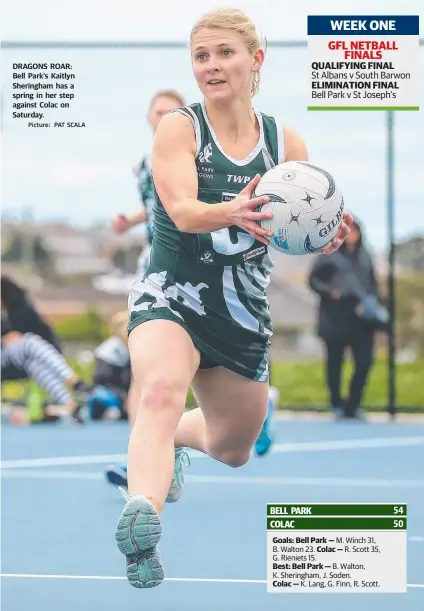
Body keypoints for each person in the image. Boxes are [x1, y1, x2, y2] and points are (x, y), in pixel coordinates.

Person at [114, 8, 353, 589]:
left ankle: (172, 442)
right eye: (201, 56)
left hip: (241, 312)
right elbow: (182, 211)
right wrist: (232, 210)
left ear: (256, 61)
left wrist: (326, 229)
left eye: (224, 53)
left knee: (234, 446)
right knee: (160, 390)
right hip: (170, 292)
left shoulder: (285, 141)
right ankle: (142, 519)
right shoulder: (179, 128)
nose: (212, 66)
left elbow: (295, 223)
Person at [112, 89, 186, 278]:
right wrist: (128, 222)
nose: (164, 119)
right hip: (152, 252)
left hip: (184, 255)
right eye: (159, 113)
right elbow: (155, 204)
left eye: (172, 114)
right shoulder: (143, 165)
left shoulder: (195, 161)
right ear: (149, 117)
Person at [308, 220, 378, 419]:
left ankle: (353, 404)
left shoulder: (366, 257)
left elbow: (373, 284)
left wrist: (371, 302)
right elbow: (313, 281)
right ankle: (337, 403)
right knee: (335, 364)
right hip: (335, 318)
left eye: (353, 230)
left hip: (361, 319)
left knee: (364, 362)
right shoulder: (328, 255)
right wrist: (331, 292)